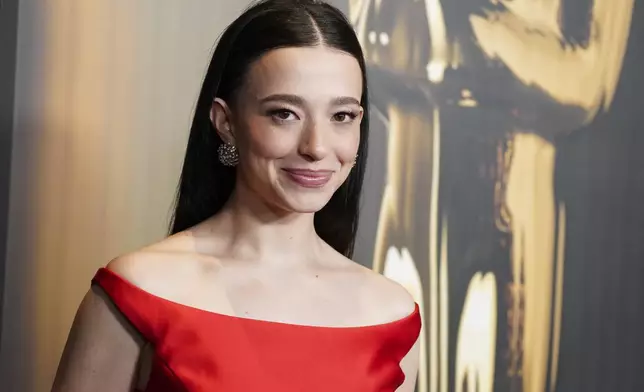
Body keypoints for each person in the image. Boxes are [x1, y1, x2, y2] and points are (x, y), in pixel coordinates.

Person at [51, 0, 421, 391]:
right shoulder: (139, 291)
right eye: (284, 114)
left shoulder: (391, 315)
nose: (316, 146)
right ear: (226, 122)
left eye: (341, 116)